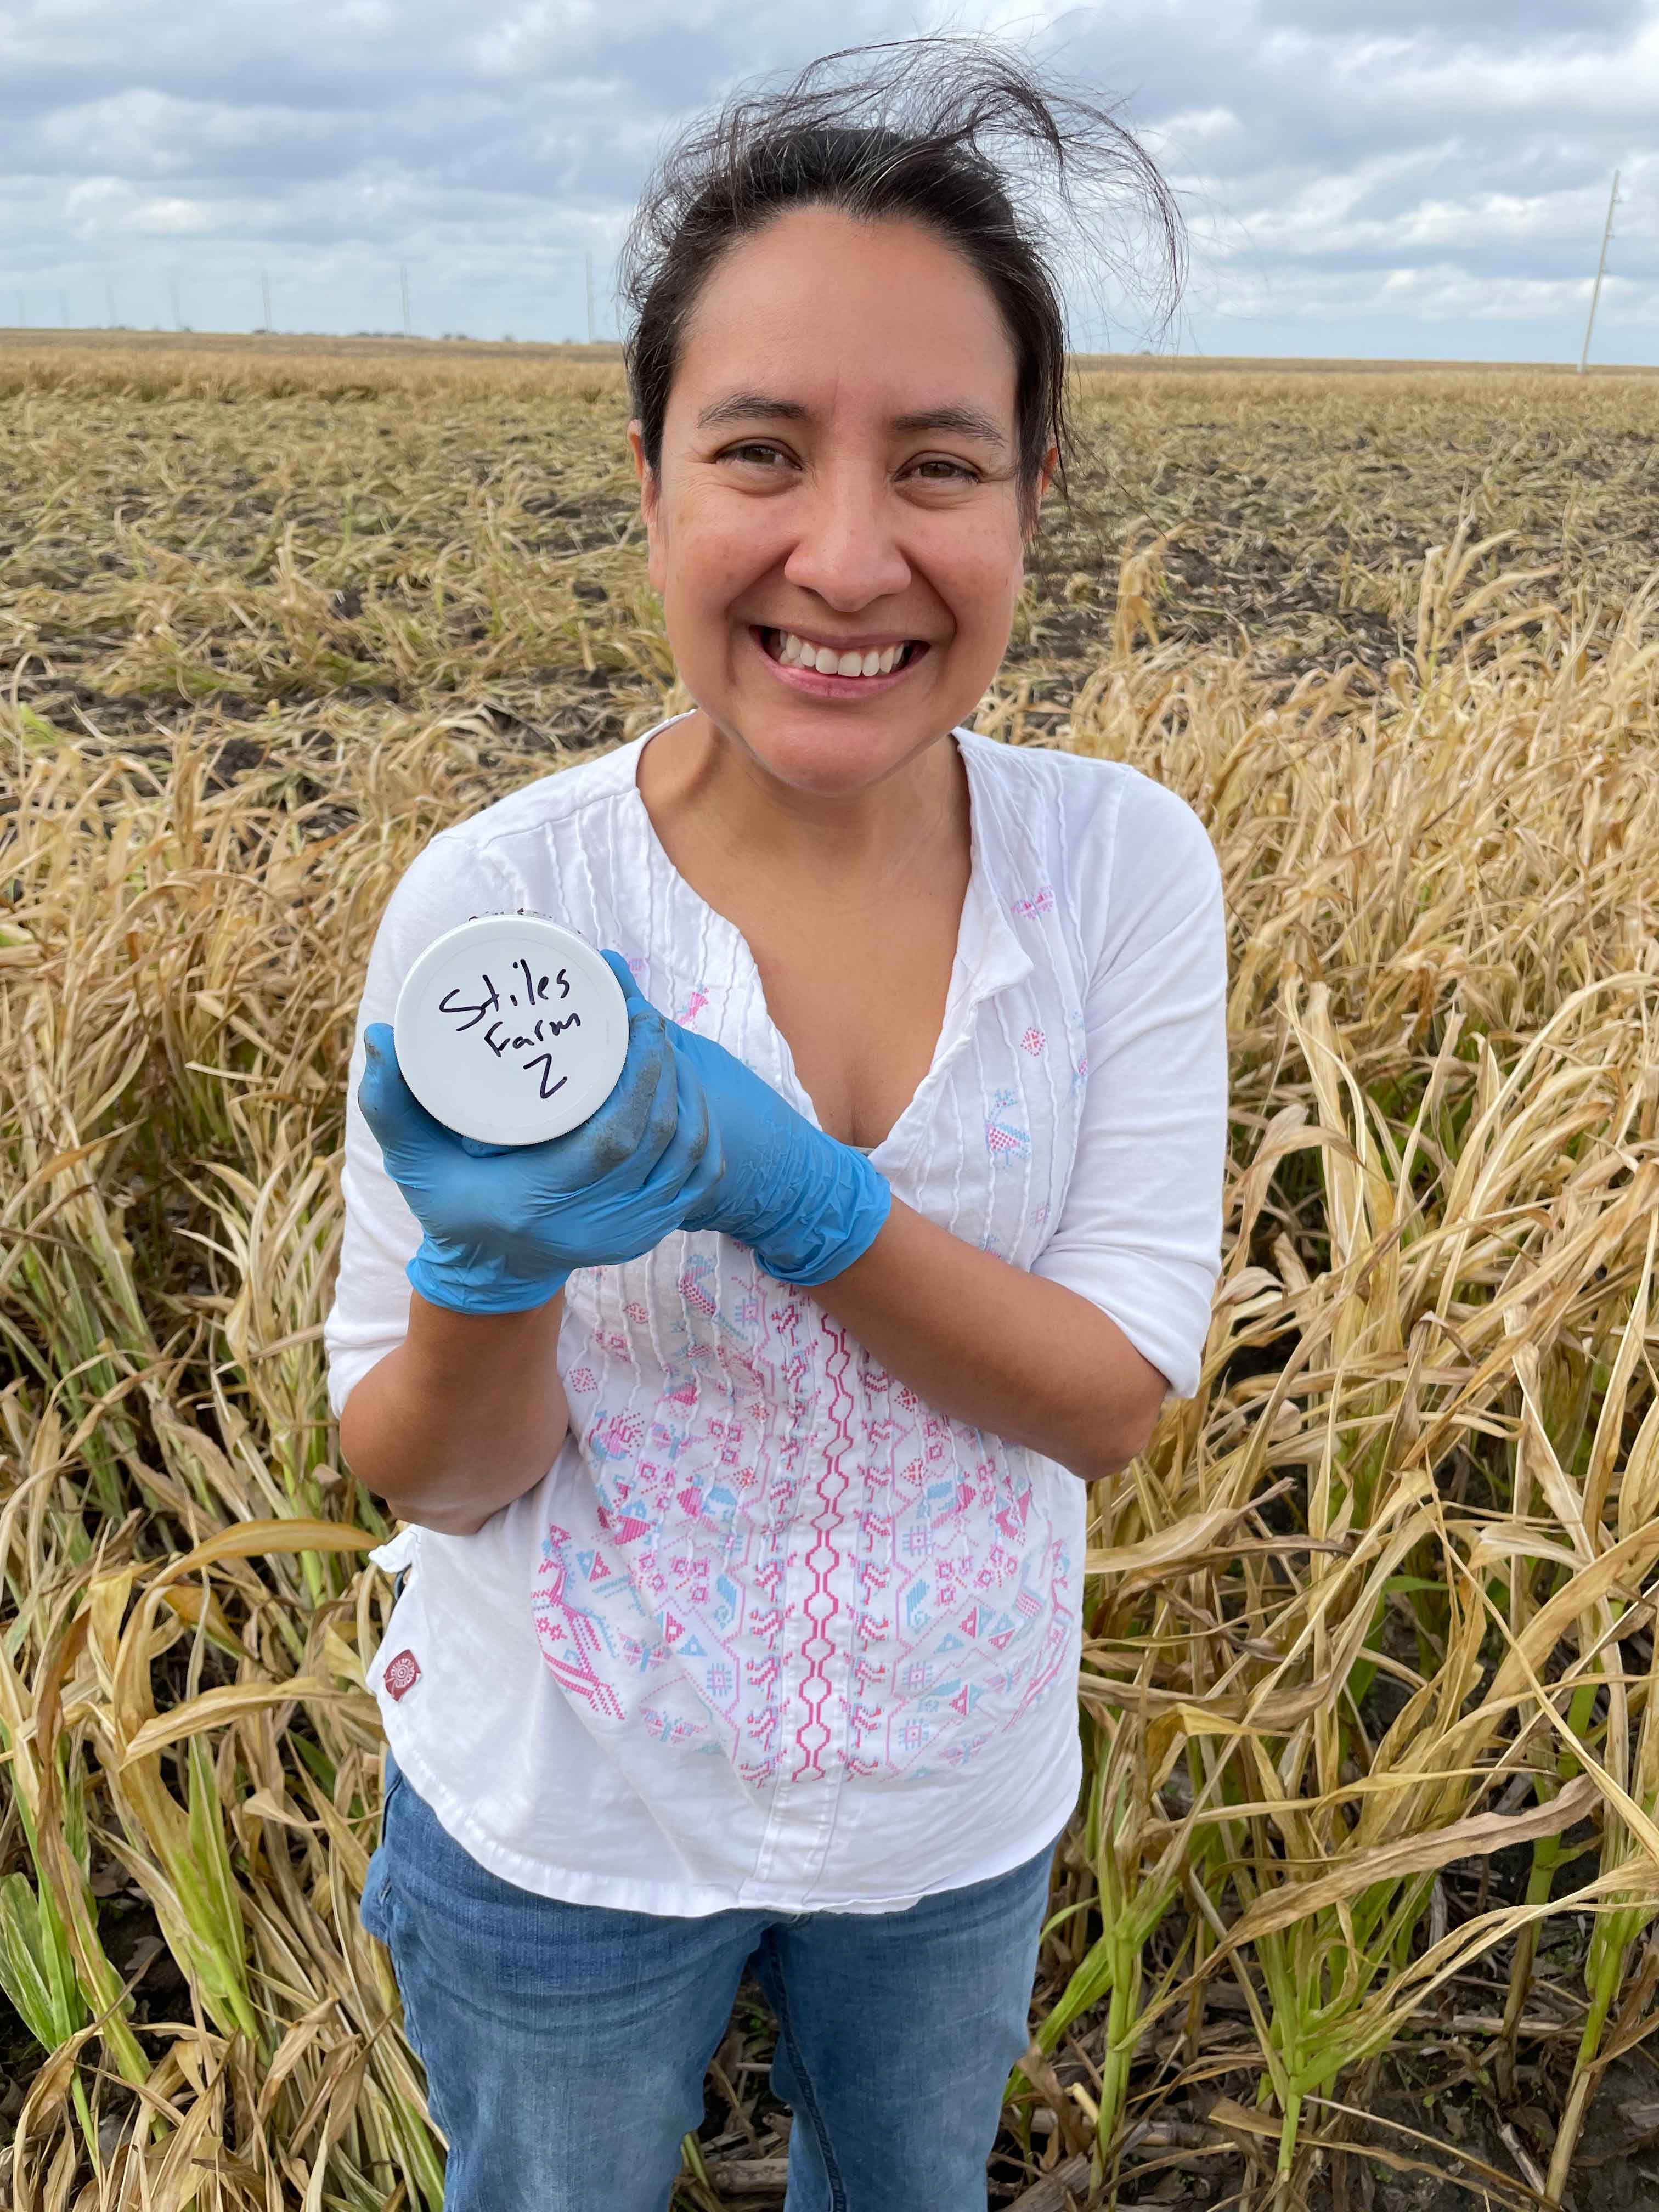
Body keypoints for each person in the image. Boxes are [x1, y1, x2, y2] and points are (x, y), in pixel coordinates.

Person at [326, 36, 1226, 2212]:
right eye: (759, 451)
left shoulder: (1116, 872)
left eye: (937, 464)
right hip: (567, 1814)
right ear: (648, 478)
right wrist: (490, 1266)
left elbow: (1112, 1402)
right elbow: (432, 1468)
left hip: (949, 1815)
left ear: (1030, 499)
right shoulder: (503, 907)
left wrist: (800, 1201)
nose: (845, 557)